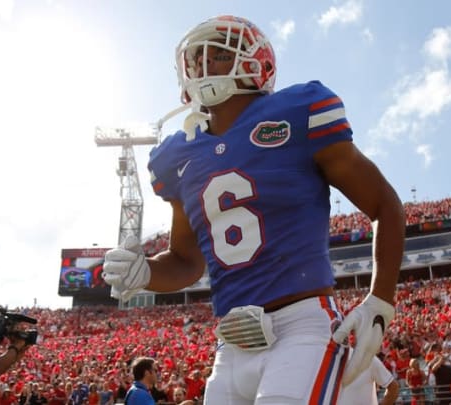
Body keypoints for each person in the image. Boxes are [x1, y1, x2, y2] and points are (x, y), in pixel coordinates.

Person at [102, 14, 405, 404]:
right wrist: (145, 271)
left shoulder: (298, 110)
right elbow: (185, 261)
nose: (204, 65)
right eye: (196, 59)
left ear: (257, 62)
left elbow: (384, 203)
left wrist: (380, 301)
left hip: (302, 328)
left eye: (218, 55)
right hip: (231, 343)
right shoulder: (173, 157)